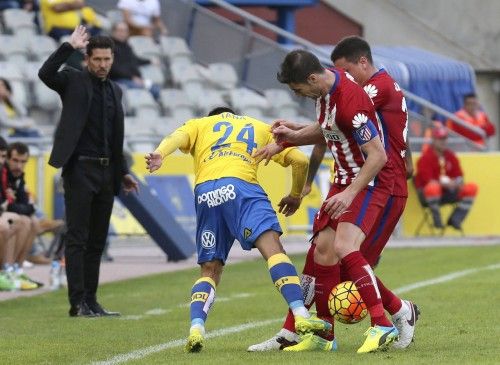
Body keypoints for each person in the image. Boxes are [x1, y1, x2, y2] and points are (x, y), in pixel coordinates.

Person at [249, 36, 419, 353]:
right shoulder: (327, 93)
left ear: (313, 78)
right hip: (345, 180)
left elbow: (376, 153)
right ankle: (321, 333)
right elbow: (329, 128)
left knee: (347, 256)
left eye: (298, 89)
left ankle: (388, 319)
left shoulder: (358, 96)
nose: (297, 95)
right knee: (322, 253)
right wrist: (286, 139)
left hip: (372, 182)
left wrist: (348, 192)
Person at [145, 106, 331, 353]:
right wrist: (296, 195)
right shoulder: (259, 127)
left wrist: (159, 154)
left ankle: (196, 329)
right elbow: (298, 160)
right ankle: (300, 314)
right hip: (242, 188)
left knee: (210, 270)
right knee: (273, 250)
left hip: (206, 193)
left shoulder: (199, 124)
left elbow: (176, 138)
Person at [38, 25, 139, 317]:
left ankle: (91, 300)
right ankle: (77, 302)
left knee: (97, 240)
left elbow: (114, 137)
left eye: (107, 59)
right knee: (77, 238)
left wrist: (123, 172)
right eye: (97, 59)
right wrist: (68, 46)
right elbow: (45, 74)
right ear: (87, 59)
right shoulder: (72, 80)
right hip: (80, 168)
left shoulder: (116, 90)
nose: (103, 64)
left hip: (107, 173)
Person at [415, 126, 478, 230]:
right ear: (434, 140)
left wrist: (457, 182)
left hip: (449, 191)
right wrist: (445, 184)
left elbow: (459, 176)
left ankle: (455, 220)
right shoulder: (425, 158)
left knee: (471, 188)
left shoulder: (450, 156)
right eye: (440, 139)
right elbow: (428, 181)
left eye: (444, 139)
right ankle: (437, 222)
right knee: (432, 187)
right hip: (429, 195)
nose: (443, 142)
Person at [0, 138, 40, 291]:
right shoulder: (4, 173)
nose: (18, 165)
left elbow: (27, 206)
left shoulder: (18, 177)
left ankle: (16, 269)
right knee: (18, 221)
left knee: (32, 222)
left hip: (7, 213)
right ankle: (6, 270)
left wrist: (20, 206)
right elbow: (9, 204)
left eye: (23, 162)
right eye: (15, 160)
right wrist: (18, 206)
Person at [109, 21, 161, 100]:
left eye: (125, 31)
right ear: (113, 32)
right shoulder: (109, 47)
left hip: (133, 79)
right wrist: (132, 77)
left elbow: (135, 60)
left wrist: (150, 61)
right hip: (119, 80)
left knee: (156, 89)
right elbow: (114, 68)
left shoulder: (127, 46)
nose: (122, 33)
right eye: (120, 30)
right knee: (142, 90)